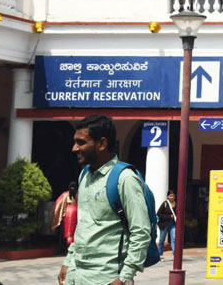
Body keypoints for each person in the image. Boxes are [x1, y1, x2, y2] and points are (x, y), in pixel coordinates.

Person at [57, 115, 152, 285]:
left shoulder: (125, 179)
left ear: (102, 144)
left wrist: (125, 277)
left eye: (81, 142)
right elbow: (83, 225)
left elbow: (141, 232)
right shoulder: (84, 175)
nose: (74, 148)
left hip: (107, 277)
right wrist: (68, 262)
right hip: (76, 275)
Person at [50, 182, 78, 248]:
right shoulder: (66, 195)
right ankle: (66, 245)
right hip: (67, 215)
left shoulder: (77, 195)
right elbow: (58, 204)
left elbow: (57, 205)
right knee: (67, 231)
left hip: (75, 214)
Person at [156, 191, 176, 260]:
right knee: (162, 239)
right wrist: (169, 216)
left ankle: (175, 253)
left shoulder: (176, 204)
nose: (172, 197)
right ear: (168, 196)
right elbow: (158, 214)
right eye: (170, 196)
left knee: (174, 238)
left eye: (173, 196)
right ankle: (160, 254)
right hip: (164, 224)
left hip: (173, 224)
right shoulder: (165, 204)